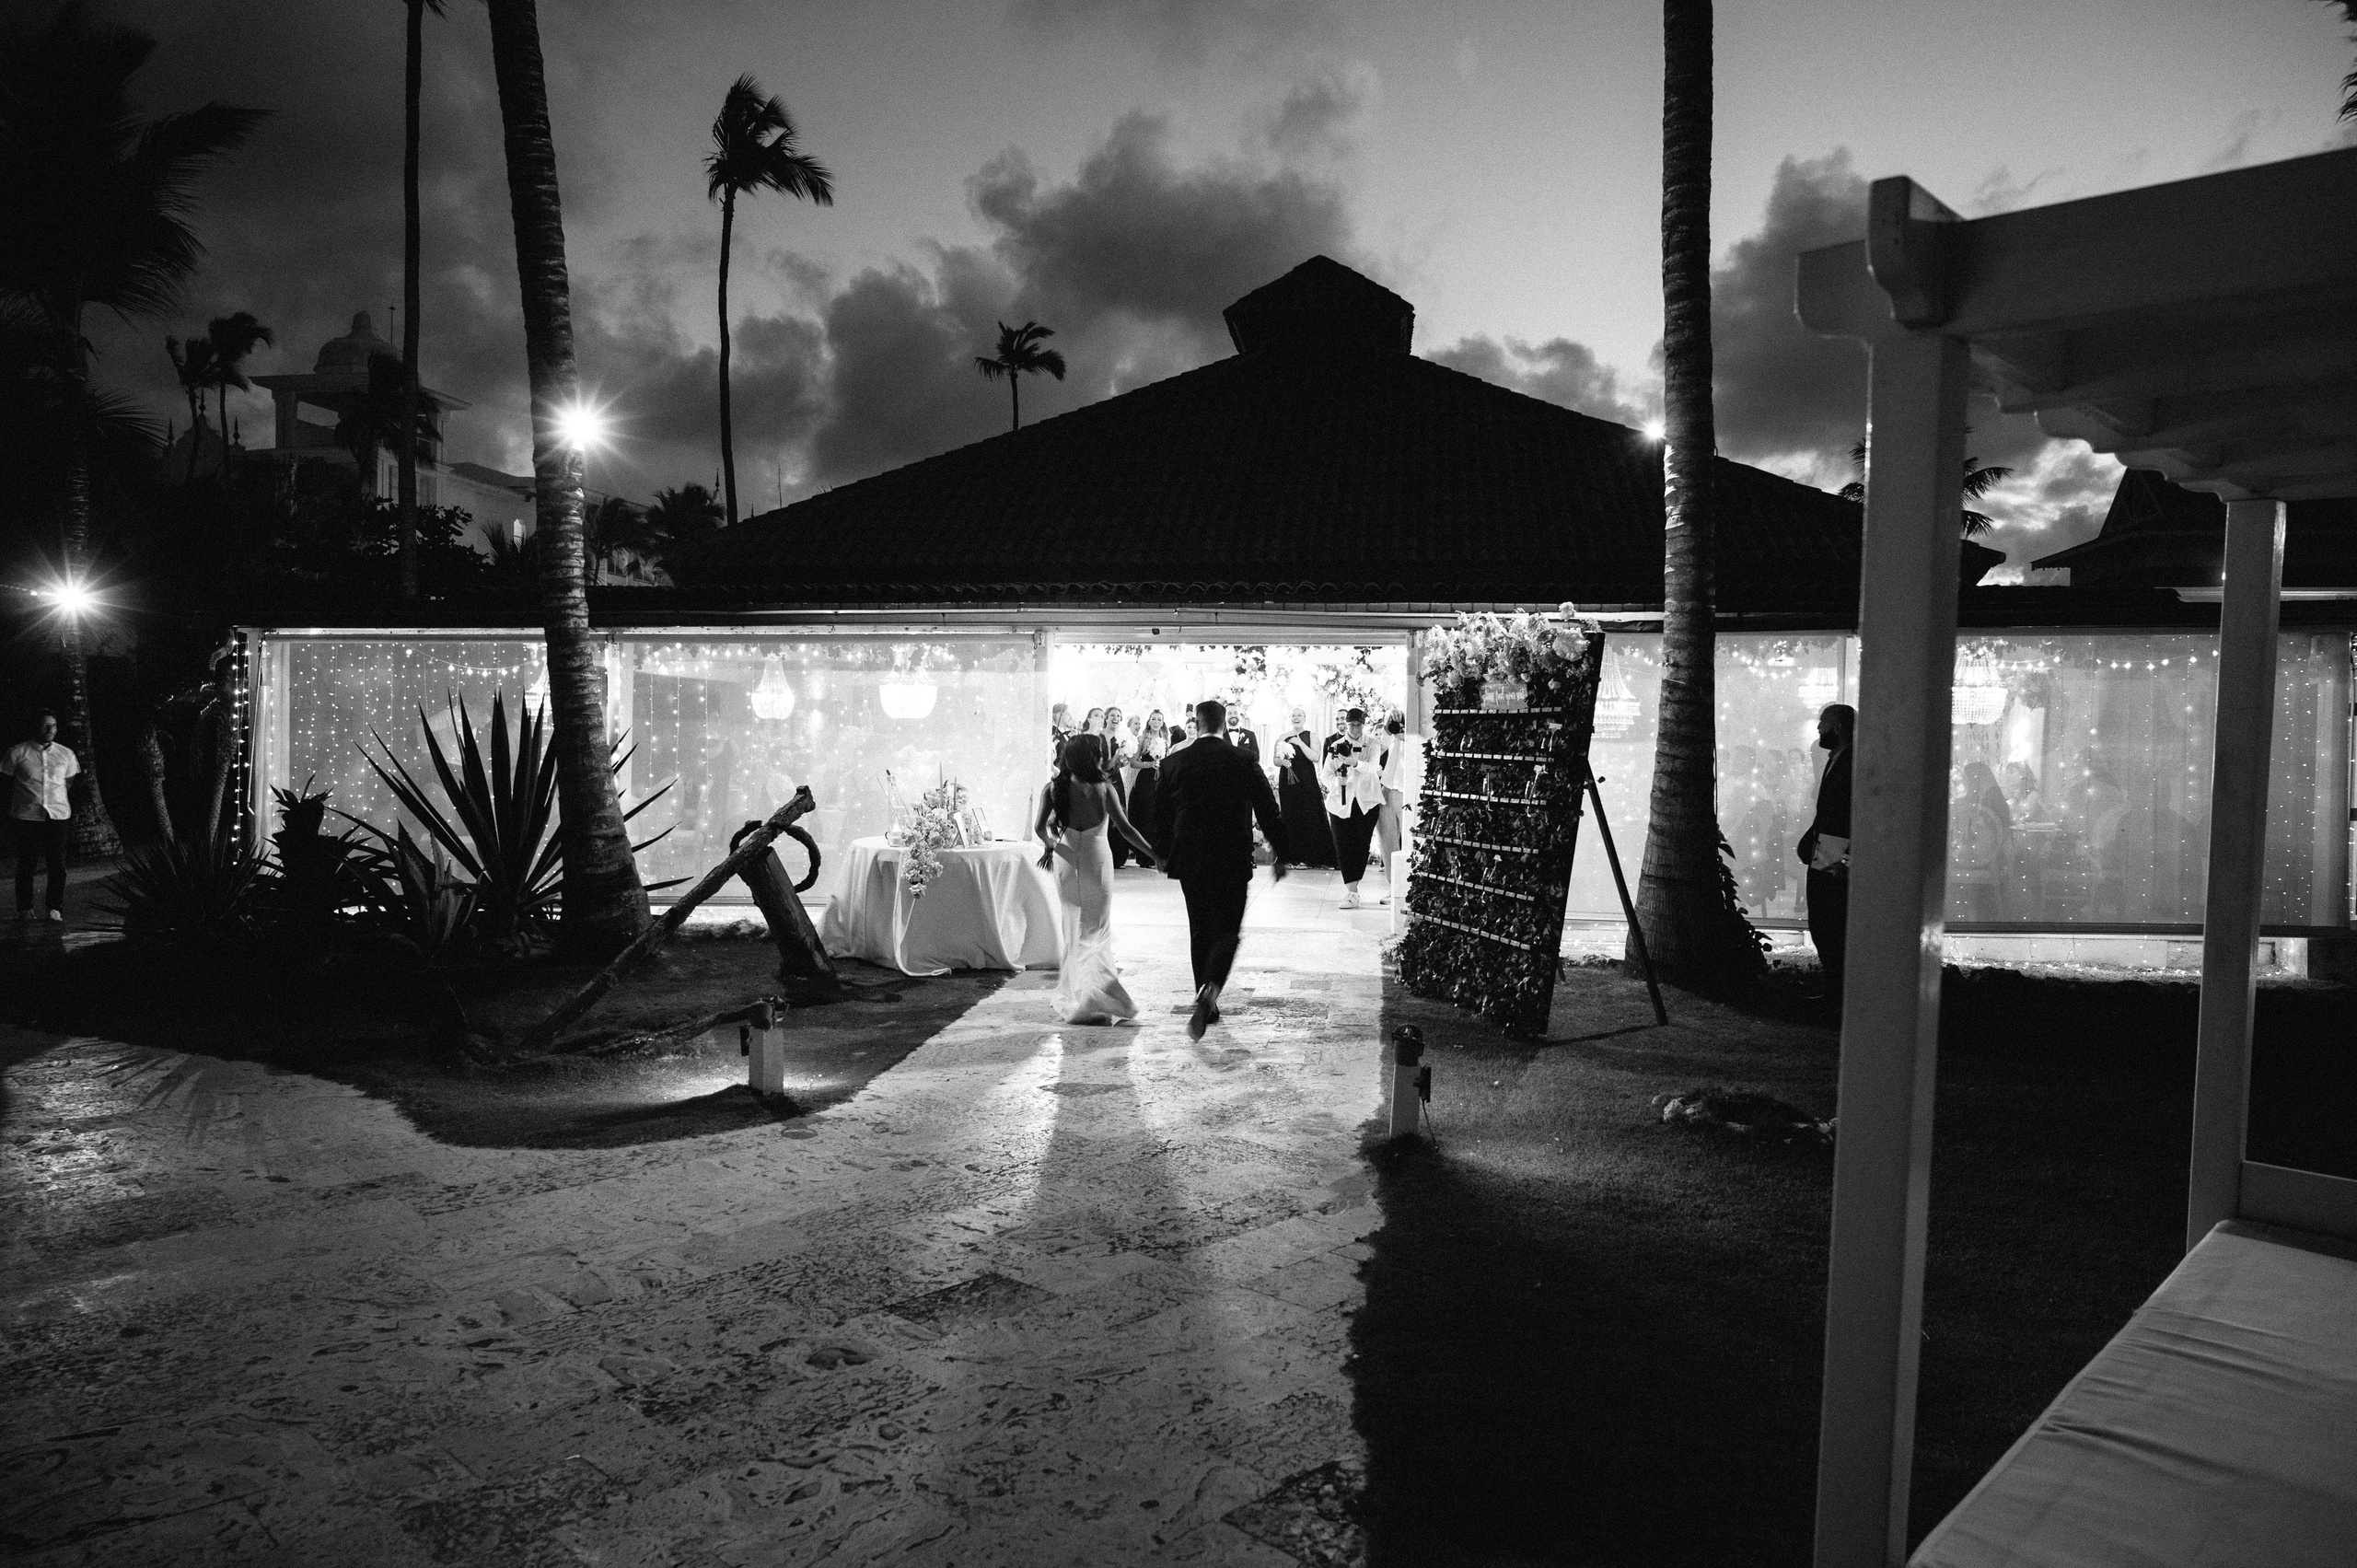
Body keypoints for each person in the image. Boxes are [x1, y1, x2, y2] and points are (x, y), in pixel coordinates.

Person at [1153, 699, 1290, 1040]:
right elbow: (1268, 809)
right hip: (1231, 855)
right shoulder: (1243, 760)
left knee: (1200, 928)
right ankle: (1211, 989)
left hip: (1191, 857)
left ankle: (1205, 997)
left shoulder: (1174, 762)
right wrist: (1281, 852)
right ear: (1223, 724)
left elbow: (1158, 814)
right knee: (1228, 929)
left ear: (1196, 724)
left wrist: (1160, 853)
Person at [1033, 733, 1158, 1026]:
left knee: (1073, 928)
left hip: (1065, 857)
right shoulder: (1104, 789)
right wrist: (1155, 854)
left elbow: (1040, 829)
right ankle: (1096, 996)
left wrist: (1053, 846)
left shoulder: (1053, 788)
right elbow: (1125, 829)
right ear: (1094, 758)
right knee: (1097, 929)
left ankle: (1078, 994)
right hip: (1096, 858)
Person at [1796, 703, 1854, 1001]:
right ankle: (1835, 987)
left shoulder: (1853, 762)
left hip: (1836, 856)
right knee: (1821, 920)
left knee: (1830, 922)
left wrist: (1847, 859)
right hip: (1824, 851)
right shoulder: (1836, 759)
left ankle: (1840, 991)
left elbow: (1850, 814)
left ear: (1839, 727)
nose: (1819, 728)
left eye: (1823, 722)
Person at [8, 711, 78, 923]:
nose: (50, 730)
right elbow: (6, 782)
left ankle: (54, 908)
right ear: (34, 727)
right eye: (45, 726)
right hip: (27, 816)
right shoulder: (17, 753)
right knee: (27, 865)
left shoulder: (66, 754)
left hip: (57, 816)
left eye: (54, 726)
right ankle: (25, 909)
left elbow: (68, 783)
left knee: (57, 864)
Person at [1324, 707, 1386, 908]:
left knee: (1361, 846)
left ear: (1363, 724)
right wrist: (1337, 782)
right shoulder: (1336, 745)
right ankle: (1352, 892)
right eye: (1352, 725)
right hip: (1340, 804)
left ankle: (1355, 885)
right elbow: (1326, 775)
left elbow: (1374, 769)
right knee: (1343, 846)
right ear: (1346, 725)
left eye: (1359, 725)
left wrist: (1355, 762)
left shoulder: (1373, 744)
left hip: (1366, 803)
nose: (1355, 728)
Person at [1950, 760, 2012, 923]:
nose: (1964, 781)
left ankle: (1961, 910)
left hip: (1983, 856)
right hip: (1993, 857)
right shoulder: (1994, 796)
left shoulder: (1986, 798)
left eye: (1966, 777)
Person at [1274, 706, 1335, 867]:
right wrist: (1283, 761)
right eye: (1293, 715)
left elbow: (1315, 757)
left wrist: (1300, 743)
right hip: (1287, 781)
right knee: (1291, 816)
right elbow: (1275, 760)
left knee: (1310, 815)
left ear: (1304, 718)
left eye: (1299, 715)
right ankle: (1294, 857)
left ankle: (1314, 858)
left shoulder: (1312, 736)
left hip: (1306, 780)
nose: (1296, 718)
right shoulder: (1282, 736)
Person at [1128, 710, 1168, 856]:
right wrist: (1149, 764)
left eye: (1159, 719)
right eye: (1154, 719)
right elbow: (1133, 763)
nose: (1156, 722)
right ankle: (1145, 856)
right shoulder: (1142, 739)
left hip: (1160, 781)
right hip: (1146, 780)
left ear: (1162, 722)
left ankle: (1157, 853)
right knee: (1146, 816)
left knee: (1157, 816)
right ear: (1149, 721)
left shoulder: (1165, 739)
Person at [1376, 712, 1411, 874]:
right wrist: (1390, 719)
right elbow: (1382, 743)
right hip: (1389, 788)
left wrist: (1408, 737)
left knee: (1410, 842)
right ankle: (1393, 886)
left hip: (1409, 790)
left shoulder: (1421, 727)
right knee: (1388, 842)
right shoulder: (1395, 725)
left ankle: (1410, 886)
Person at [1103, 706, 1136, 867]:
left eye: (1118, 716)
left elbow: (1117, 764)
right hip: (1104, 778)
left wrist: (1122, 759)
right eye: (1112, 716)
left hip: (1116, 778)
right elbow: (1107, 765)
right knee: (1108, 816)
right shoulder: (1102, 736)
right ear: (1106, 718)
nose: (1115, 718)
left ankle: (1119, 855)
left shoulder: (1119, 737)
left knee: (1121, 813)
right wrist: (1117, 754)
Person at [1049, 702, 1074, 767]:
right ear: (1060, 715)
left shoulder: (1068, 735)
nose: (1071, 717)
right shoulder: (1052, 733)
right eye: (1068, 714)